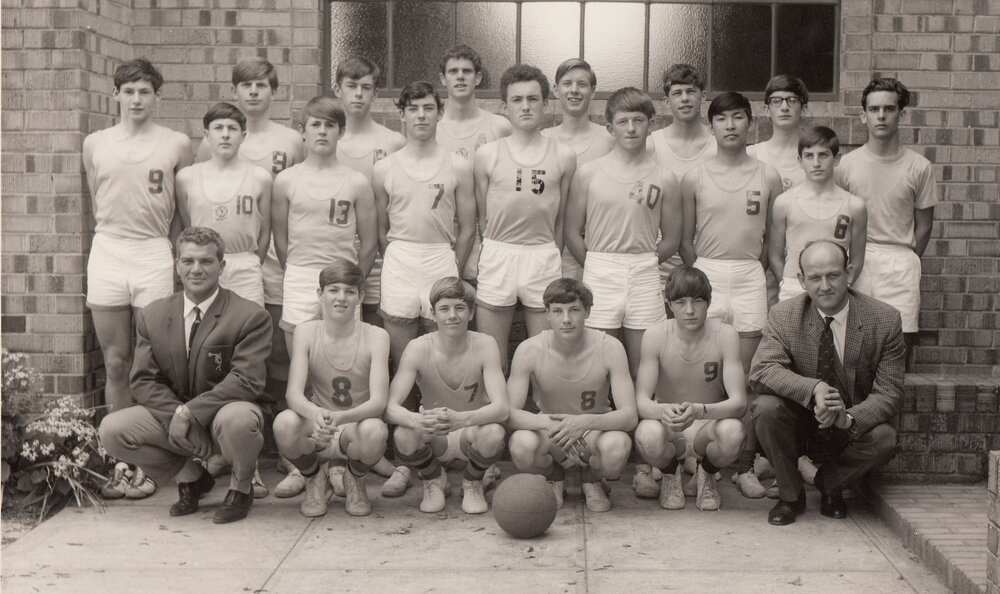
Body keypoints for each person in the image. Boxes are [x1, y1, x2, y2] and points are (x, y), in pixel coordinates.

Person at [99, 227, 272, 524]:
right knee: (113, 430)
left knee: (240, 420)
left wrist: (191, 413)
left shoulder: (250, 315)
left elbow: (246, 380)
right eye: (188, 261)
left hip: (224, 418)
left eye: (206, 261)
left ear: (221, 266)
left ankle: (241, 488)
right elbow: (144, 380)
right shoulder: (152, 314)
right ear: (177, 265)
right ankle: (191, 477)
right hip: (175, 420)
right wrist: (177, 416)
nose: (196, 269)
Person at [196, 58, 304, 496]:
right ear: (236, 91)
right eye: (246, 85)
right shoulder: (209, 149)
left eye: (262, 85)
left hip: (273, 258)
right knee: (216, 354)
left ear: (272, 91)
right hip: (229, 258)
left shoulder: (291, 140)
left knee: (273, 355)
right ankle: (229, 446)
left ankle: (283, 448)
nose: (254, 92)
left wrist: (262, 258)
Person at [84, 58, 192, 499]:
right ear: (116, 95)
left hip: (151, 251)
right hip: (109, 248)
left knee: (153, 362)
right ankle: (120, 461)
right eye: (129, 91)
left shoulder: (177, 143)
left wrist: (174, 260)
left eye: (145, 91)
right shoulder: (95, 143)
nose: (137, 99)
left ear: (157, 97)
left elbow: (180, 212)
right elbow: (97, 198)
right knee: (115, 359)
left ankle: (150, 461)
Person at [750, 240, 904, 526]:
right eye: (815, 277)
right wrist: (814, 389)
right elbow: (762, 369)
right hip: (799, 420)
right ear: (801, 280)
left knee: (885, 438)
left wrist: (847, 418)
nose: (825, 286)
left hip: (848, 425)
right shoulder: (783, 315)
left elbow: (890, 392)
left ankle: (829, 483)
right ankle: (791, 495)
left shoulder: (884, 319)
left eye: (833, 275)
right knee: (765, 408)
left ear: (849, 273)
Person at [679, 92, 784, 500]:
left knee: (745, 375)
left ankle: (741, 466)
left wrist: (749, 268)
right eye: (721, 118)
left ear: (749, 123)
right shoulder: (695, 176)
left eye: (738, 117)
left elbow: (771, 245)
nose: (730, 125)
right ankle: (695, 456)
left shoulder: (768, 175)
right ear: (712, 125)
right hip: (707, 269)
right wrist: (704, 272)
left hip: (747, 276)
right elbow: (686, 241)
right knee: (701, 368)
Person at [564, 87, 679, 375]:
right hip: (600, 266)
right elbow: (571, 232)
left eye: (638, 120)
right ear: (610, 128)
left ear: (650, 125)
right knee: (598, 356)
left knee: (644, 359)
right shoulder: (589, 172)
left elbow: (673, 239)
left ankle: (642, 418)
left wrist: (644, 259)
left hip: (644, 268)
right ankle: (601, 418)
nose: (631, 129)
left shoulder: (665, 177)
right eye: (623, 121)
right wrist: (593, 262)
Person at [474, 65, 577, 371]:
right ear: (504, 106)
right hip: (499, 254)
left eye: (533, 99)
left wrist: (549, 252)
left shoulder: (564, 155)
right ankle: (495, 415)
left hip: (542, 254)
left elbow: (562, 216)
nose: (526, 106)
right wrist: (495, 249)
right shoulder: (488, 154)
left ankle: (540, 414)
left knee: (545, 354)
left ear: (546, 104)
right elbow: (483, 217)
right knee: (492, 355)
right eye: (517, 100)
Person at [272, 260, 391, 517]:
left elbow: (379, 402)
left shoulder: (376, 336)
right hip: (320, 424)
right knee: (284, 424)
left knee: (375, 430)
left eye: (349, 291)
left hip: (355, 425)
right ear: (320, 294)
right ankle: (314, 477)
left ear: (360, 296)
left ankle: (355, 479)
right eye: (333, 290)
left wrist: (339, 418)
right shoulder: (306, 331)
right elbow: (293, 393)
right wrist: (316, 416)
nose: (341, 298)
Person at [507, 279, 637, 512]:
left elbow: (629, 416)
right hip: (551, 430)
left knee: (617, 447)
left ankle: (591, 479)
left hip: (593, 430)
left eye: (574, 310)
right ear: (547, 313)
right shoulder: (529, 349)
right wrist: (548, 422)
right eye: (558, 311)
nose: (566, 319)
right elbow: (509, 414)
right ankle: (554, 477)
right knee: (520, 445)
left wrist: (584, 421)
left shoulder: (610, 347)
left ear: (587, 311)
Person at [384, 277, 509, 514]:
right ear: (433, 313)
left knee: (494, 431)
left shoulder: (485, 344)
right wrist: (418, 420)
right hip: (436, 434)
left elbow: (502, 408)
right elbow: (390, 407)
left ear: (471, 312)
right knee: (404, 434)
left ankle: (472, 483)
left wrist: (462, 419)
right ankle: (432, 480)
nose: (452, 315)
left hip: (470, 432)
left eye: (460, 308)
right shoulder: (419, 347)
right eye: (444, 308)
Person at [373, 81, 476, 367]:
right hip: (400, 258)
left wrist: (454, 262)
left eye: (428, 108)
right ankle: (402, 410)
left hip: (440, 256)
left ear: (439, 113)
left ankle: (437, 407)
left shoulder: (458, 166)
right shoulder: (384, 168)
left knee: (442, 352)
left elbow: (468, 227)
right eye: (413, 108)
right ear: (402, 115)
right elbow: (380, 228)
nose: (421, 115)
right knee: (401, 355)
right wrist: (394, 256)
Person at [836, 78, 935, 365]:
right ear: (862, 114)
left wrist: (906, 258)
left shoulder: (919, 167)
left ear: (901, 114)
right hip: (857, 258)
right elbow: (839, 218)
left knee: (897, 354)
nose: (881, 115)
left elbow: (924, 225)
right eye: (874, 109)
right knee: (853, 351)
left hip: (900, 259)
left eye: (889, 109)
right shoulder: (847, 165)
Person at [633, 267, 747, 510]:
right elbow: (642, 402)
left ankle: (706, 474)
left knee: (734, 432)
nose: (690, 310)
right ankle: (670, 474)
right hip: (671, 425)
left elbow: (739, 403)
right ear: (669, 304)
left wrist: (700, 410)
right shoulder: (655, 335)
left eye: (697, 301)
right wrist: (663, 411)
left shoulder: (725, 334)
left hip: (706, 424)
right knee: (647, 435)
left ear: (709, 302)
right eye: (681, 302)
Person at [271, 96, 377, 348]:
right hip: (300, 274)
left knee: (343, 353)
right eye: (315, 124)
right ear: (302, 131)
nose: (322, 131)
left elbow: (370, 243)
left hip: (343, 277)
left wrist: (352, 280)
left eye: (329, 125)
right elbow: (281, 239)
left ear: (341, 131)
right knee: (299, 354)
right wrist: (297, 269)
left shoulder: (357, 182)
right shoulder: (286, 180)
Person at [334, 57, 407, 324]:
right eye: (351, 86)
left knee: (377, 330)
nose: (358, 94)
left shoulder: (394, 142)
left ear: (376, 93)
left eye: (366, 87)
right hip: (337, 249)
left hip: (380, 254)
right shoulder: (326, 141)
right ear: (337, 89)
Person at [178, 102, 273, 307]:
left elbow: (265, 232)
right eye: (218, 128)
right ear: (206, 135)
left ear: (243, 135)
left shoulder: (260, 178)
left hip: (244, 265)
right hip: (202, 264)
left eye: (232, 128)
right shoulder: (187, 177)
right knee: (204, 328)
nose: (225, 134)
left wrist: (254, 262)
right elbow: (186, 226)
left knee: (249, 329)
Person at [436, 45, 513, 282]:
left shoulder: (499, 127)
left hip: (489, 236)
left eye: (467, 71)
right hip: (444, 236)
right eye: (453, 71)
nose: (460, 76)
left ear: (478, 77)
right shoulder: (433, 128)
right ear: (443, 79)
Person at [770, 126, 868, 303]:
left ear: (836, 158)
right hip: (794, 286)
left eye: (823, 155)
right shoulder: (784, 202)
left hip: (833, 288)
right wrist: (788, 283)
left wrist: (843, 284)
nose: (816, 163)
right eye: (809, 156)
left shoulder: (854, 206)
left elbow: (857, 259)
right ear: (800, 161)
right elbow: (775, 255)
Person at [542, 58, 614, 280]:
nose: (574, 90)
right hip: (551, 248)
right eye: (567, 83)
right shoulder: (543, 140)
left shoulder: (609, 140)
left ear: (592, 91)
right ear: (555, 90)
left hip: (598, 247)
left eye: (582, 84)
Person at [748, 75, 810, 192]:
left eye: (792, 100)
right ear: (767, 110)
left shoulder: (815, 157)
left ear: (804, 109)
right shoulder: (752, 155)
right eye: (776, 101)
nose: (784, 107)